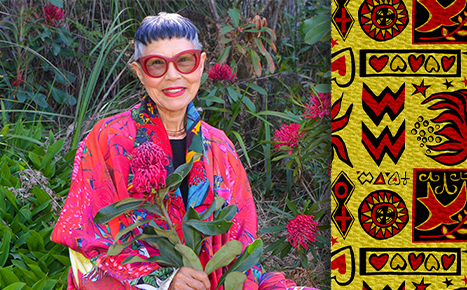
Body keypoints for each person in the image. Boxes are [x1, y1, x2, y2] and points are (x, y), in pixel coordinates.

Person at [52, 12, 319, 290]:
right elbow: (83, 246)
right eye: (156, 64)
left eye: (184, 61)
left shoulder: (220, 147)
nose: (173, 75)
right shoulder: (107, 140)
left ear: (200, 65)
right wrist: (163, 282)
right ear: (139, 72)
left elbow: (242, 250)